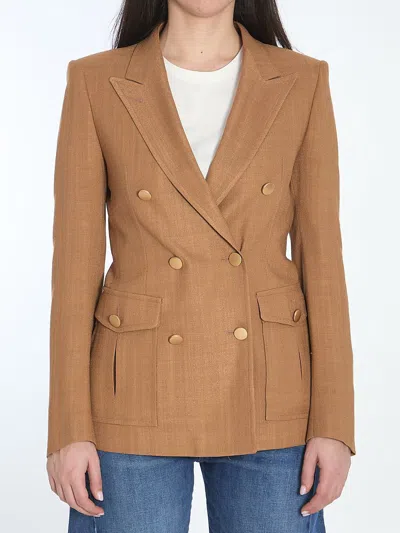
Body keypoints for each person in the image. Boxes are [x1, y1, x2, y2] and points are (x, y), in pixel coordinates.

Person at [46, 1, 356, 532]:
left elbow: (323, 263)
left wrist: (334, 421)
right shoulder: (97, 81)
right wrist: (68, 427)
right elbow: (74, 272)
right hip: (132, 396)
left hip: (270, 393)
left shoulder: (302, 81)